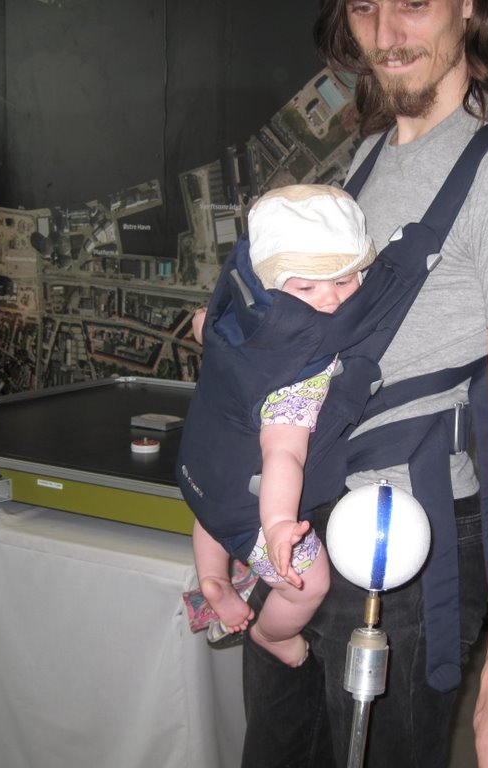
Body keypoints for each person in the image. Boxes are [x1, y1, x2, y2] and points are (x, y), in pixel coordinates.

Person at [240, 2, 488, 768]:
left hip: (401, 549)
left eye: (413, 2)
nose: (387, 35)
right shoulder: (369, 158)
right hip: (306, 519)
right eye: (366, 6)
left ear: (469, 7)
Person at [185, 184, 375, 667]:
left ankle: (214, 578)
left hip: (200, 472)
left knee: (215, 506)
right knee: (309, 585)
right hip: (254, 509)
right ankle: (270, 634)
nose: (329, 300)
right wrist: (278, 526)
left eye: (344, 281)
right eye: (306, 288)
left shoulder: (236, 314)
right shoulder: (297, 376)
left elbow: (200, 323)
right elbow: (283, 453)